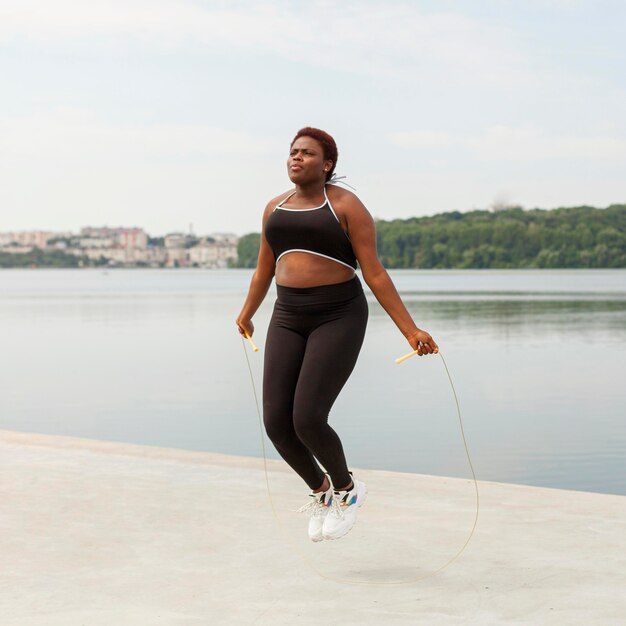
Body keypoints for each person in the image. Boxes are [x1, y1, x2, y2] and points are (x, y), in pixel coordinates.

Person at [236, 127, 438, 542]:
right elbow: (264, 269)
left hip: (339, 314)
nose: (296, 158)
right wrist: (247, 313)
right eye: (292, 152)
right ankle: (322, 492)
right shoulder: (274, 208)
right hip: (287, 314)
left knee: (308, 417)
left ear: (327, 164)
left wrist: (409, 330)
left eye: (307, 153)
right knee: (277, 422)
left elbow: (375, 273)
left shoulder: (346, 206)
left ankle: (348, 490)